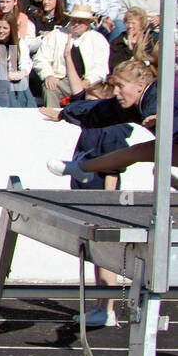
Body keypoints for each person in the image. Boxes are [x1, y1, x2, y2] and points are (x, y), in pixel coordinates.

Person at [45, 80, 129, 327]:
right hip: (87, 196)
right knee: (96, 255)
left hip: (100, 199)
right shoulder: (91, 128)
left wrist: (107, 203)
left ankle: (108, 308)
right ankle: (100, 306)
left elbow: (113, 168)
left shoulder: (111, 129)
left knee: (106, 256)